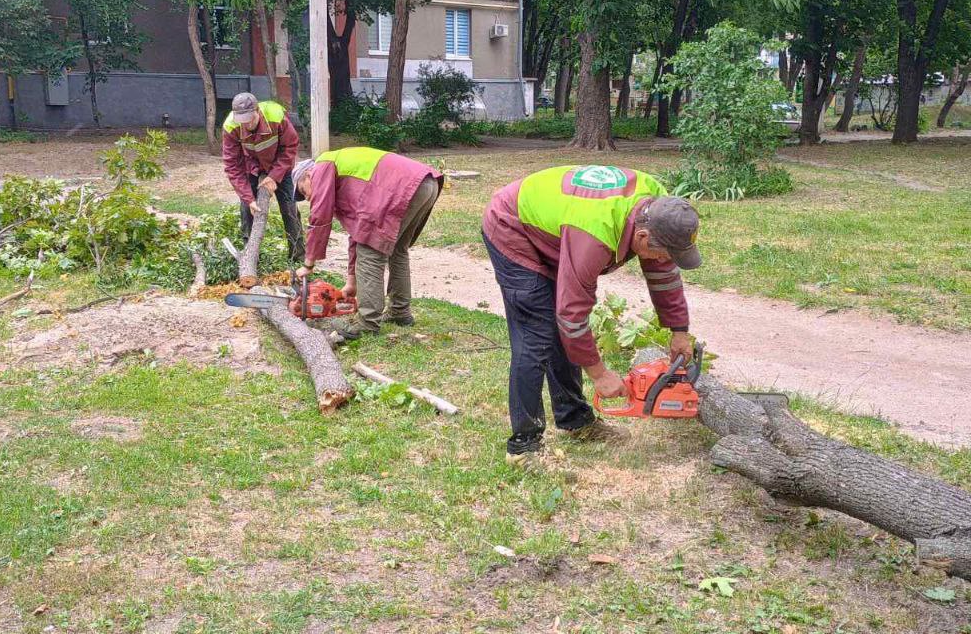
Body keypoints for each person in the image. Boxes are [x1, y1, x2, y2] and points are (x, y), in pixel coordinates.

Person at [481, 165, 701, 464]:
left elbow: (664, 275)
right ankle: (523, 446)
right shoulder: (594, 233)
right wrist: (599, 374)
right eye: (662, 254)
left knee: (560, 328)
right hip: (513, 225)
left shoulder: (662, 210)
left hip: (563, 228)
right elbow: (572, 314)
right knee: (537, 335)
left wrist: (679, 330)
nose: (664, 260)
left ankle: (575, 421)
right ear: (642, 235)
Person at [294, 146, 443, 339]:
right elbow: (357, 234)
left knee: (370, 255)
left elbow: (320, 216)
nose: (307, 198)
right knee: (398, 250)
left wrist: (308, 264)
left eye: (303, 190)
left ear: (308, 175)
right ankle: (400, 312)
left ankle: (368, 323)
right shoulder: (341, 181)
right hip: (425, 183)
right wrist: (351, 282)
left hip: (401, 187)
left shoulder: (322, 165)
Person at [221, 92, 305, 277]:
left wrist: (274, 176)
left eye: (249, 119)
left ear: (257, 111)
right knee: (247, 210)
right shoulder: (231, 126)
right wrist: (248, 198)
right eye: (242, 120)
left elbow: (290, 146)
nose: (246, 124)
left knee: (289, 209)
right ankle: (250, 258)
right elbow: (232, 166)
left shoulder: (275, 116)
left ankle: (298, 257)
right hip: (251, 165)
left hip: (280, 163)